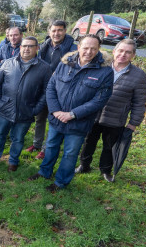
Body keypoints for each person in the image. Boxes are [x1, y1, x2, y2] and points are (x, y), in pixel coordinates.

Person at [29, 35, 113, 192]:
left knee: (70, 153)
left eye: (93, 48)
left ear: (98, 49)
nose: (89, 51)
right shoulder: (65, 63)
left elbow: (99, 100)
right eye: (85, 47)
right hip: (57, 118)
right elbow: (51, 87)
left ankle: (61, 182)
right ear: (78, 47)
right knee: (51, 146)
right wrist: (55, 110)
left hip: (78, 122)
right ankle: (44, 172)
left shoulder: (105, 71)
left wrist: (72, 114)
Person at [76, 39, 146, 182]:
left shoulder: (139, 75)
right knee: (88, 142)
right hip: (93, 114)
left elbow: (139, 102)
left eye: (128, 52)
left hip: (116, 118)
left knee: (109, 146)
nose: (123, 54)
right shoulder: (101, 67)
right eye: (120, 51)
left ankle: (105, 170)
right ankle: (84, 165)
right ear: (114, 51)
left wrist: (134, 123)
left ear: (133, 55)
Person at [0, 37, 51, 172]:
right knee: (0, 135)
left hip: (26, 111)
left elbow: (46, 91)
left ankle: (13, 161)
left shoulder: (44, 68)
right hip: (5, 108)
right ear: (20, 47)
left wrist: (36, 109)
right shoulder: (8, 63)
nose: (27, 49)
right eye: (24, 46)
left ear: (37, 48)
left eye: (30, 46)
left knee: (18, 139)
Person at [26, 20, 77, 159]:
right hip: (42, 88)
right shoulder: (44, 46)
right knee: (39, 118)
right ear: (49, 32)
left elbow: (74, 68)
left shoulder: (72, 48)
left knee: (54, 120)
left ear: (65, 31)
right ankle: (36, 144)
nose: (56, 33)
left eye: (60, 30)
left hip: (60, 90)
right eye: (54, 30)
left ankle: (46, 148)